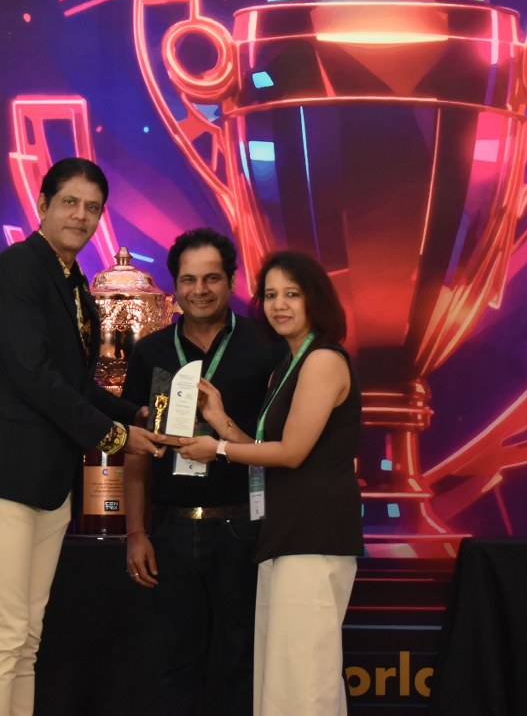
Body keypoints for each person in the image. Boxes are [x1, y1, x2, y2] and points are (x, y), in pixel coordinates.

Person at [0, 157, 178, 716]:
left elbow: (76, 383)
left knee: (27, 637)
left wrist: (136, 414)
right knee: (4, 633)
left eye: (92, 207)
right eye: (70, 203)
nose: (81, 216)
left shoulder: (74, 282)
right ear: (43, 205)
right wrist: (116, 436)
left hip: (48, 482)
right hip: (4, 476)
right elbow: (33, 376)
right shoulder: (19, 268)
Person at [179, 250, 363, 716]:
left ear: (315, 299)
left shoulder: (323, 360)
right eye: (270, 295)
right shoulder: (288, 364)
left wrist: (218, 449)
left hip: (313, 536)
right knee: (281, 680)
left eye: (292, 294)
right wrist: (221, 422)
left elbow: (292, 452)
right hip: (284, 534)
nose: (279, 305)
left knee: (305, 681)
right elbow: (268, 451)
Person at [121, 228, 286, 716]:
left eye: (212, 278)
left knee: (243, 662)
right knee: (176, 663)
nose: (200, 290)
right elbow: (137, 451)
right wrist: (136, 533)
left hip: (244, 527)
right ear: (174, 286)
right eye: (189, 280)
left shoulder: (266, 346)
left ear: (232, 281)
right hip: (170, 530)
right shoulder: (151, 352)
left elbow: (281, 446)